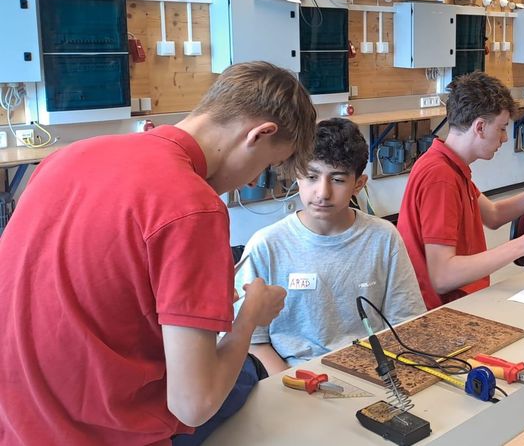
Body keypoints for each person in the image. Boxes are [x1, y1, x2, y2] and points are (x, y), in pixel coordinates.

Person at [0, 61, 317, 445]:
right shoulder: (192, 206)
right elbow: (193, 404)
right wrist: (251, 316)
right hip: (98, 433)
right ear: (259, 134)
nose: (253, 180)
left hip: (19, 424)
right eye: (266, 165)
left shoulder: (68, 156)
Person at [235, 118, 426, 375]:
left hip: (374, 374)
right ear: (297, 175)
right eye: (312, 176)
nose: (322, 192)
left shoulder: (383, 238)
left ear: (358, 184)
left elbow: (406, 323)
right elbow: (252, 341)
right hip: (294, 379)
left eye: (337, 180)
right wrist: (290, 383)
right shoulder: (266, 245)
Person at [397, 72, 524, 310]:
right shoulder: (440, 177)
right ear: (479, 127)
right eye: (501, 128)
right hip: (442, 312)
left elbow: (494, 214)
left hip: (461, 302)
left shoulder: (449, 164)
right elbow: (442, 277)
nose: (505, 138)